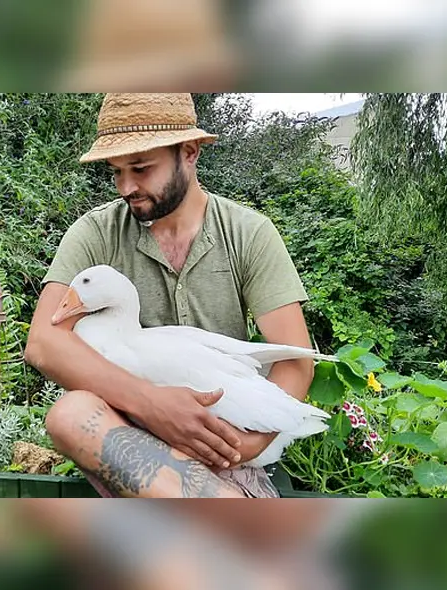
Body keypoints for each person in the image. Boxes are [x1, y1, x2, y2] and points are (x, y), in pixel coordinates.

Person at [24, 93, 316, 498]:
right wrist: (152, 405)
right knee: (69, 415)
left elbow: (296, 363)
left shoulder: (248, 233)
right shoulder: (95, 234)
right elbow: (44, 342)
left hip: (225, 442)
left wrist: (238, 446)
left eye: (141, 168)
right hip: (130, 441)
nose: (126, 187)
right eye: (116, 171)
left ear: (189, 152)